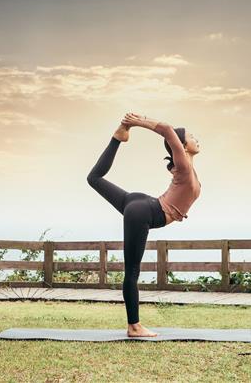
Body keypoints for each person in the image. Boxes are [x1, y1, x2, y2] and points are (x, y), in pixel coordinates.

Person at [86, 112, 201, 337]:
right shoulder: (184, 166)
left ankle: (117, 137)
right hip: (143, 212)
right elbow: (167, 129)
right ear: (183, 146)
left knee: (94, 179)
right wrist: (136, 122)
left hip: (139, 202)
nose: (197, 139)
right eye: (192, 137)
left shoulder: (187, 168)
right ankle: (134, 326)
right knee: (132, 271)